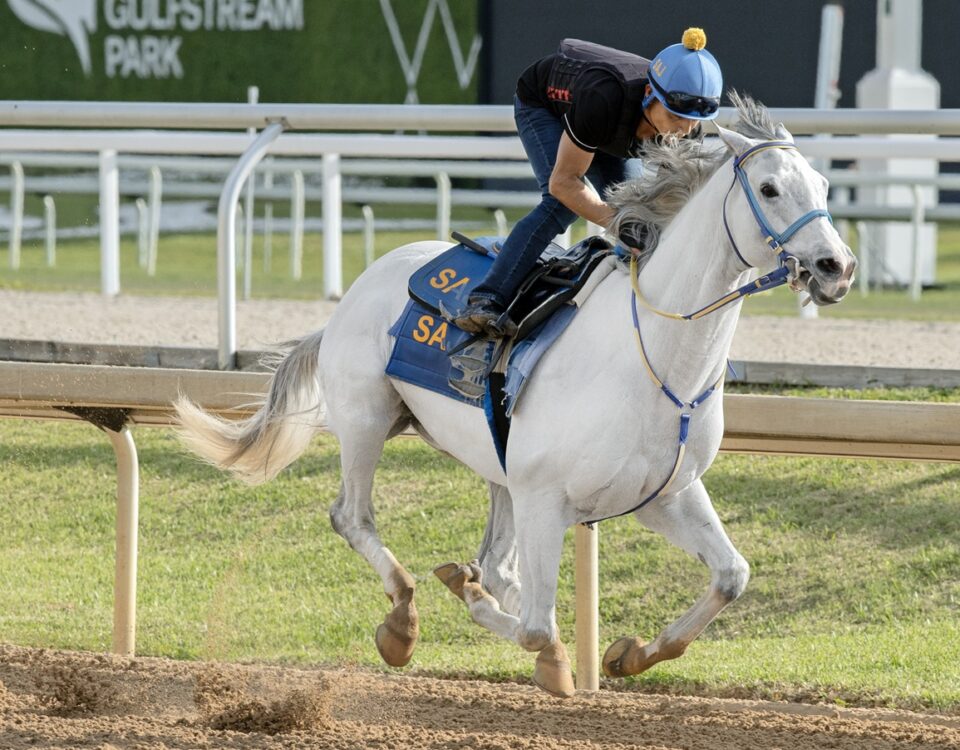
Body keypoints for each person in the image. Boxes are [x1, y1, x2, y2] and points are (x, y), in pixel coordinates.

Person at [446, 28, 723, 337]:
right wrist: (620, 223)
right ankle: (487, 298)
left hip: (604, 125)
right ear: (649, 94)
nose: (685, 129)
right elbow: (563, 184)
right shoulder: (603, 98)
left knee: (639, 212)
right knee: (561, 206)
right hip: (546, 106)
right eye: (675, 117)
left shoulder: (688, 130)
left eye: (694, 121)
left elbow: (670, 206)